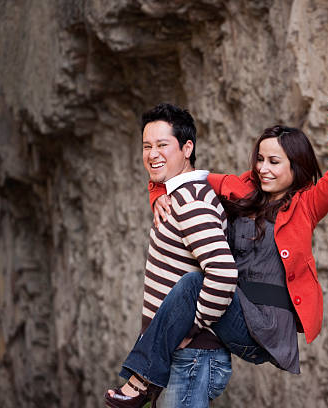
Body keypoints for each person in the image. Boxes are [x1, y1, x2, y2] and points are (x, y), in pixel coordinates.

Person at [146, 93, 328, 377]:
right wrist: (157, 193)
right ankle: (148, 377)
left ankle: (140, 379)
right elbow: (186, 176)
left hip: (266, 328)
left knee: (196, 282)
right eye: (260, 159)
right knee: (190, 282)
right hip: (236, 310)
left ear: (296, 165)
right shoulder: (244, 191)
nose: (263, 169)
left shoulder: (307, 205)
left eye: (274, 162)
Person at [104, 103, 238, 408]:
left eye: (163, 145)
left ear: (187, 148)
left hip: (191, 354)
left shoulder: (191, 200)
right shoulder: (175, 196)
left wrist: (192, 329)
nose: (152, 154)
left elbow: (223, 271)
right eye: (147, 146)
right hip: (178, 353)